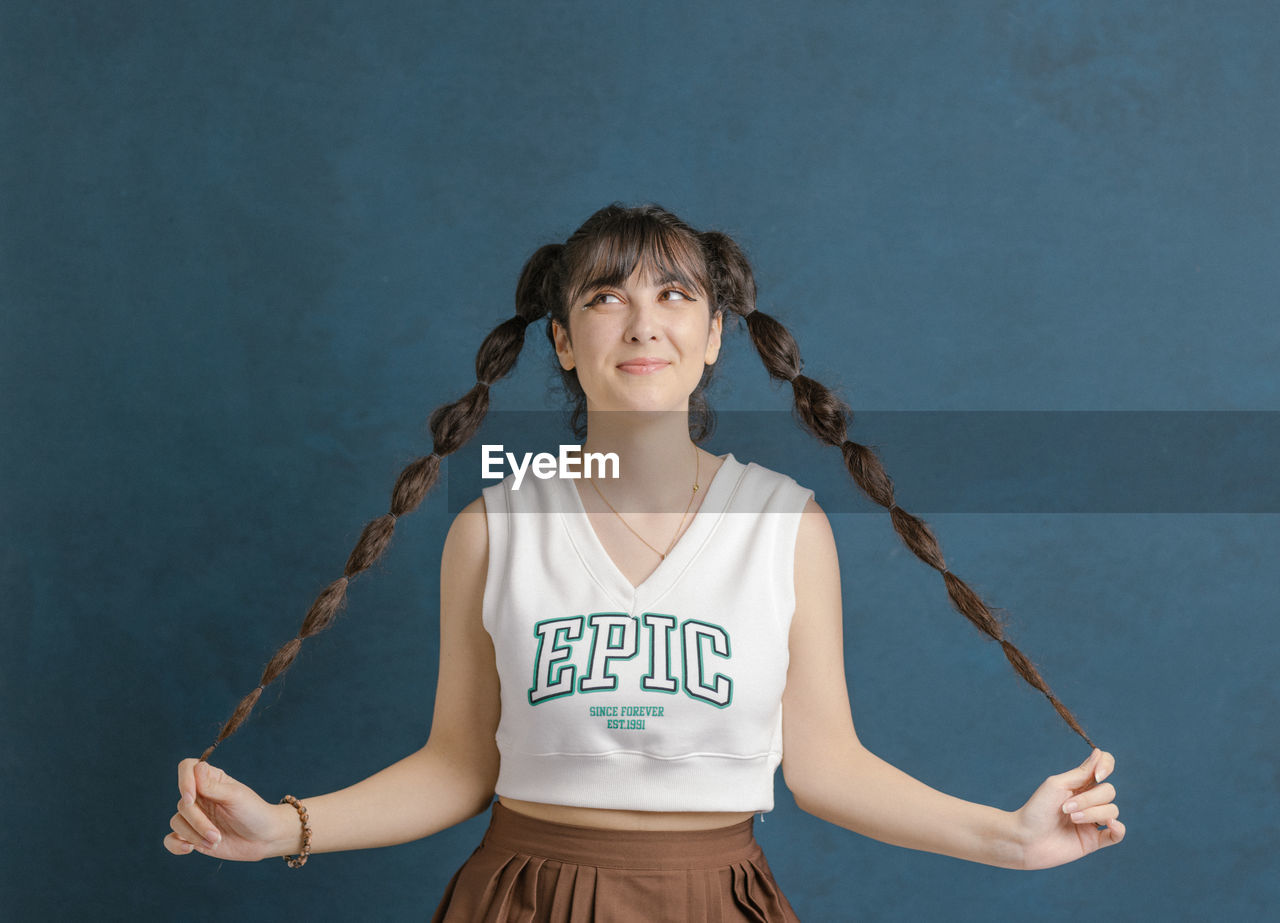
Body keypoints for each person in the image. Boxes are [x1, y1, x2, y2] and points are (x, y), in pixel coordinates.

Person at [164, 204, 1124, 920]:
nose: (642, 321)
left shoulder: (784, 525)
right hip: (521, 893)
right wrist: (283, 827)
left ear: (713, 338)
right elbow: (459, 766)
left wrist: (1008, 838)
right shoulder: (493, 529)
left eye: (675, 294)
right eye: (605, 296)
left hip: (718, 895)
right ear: (563, 342)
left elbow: (827, 767)